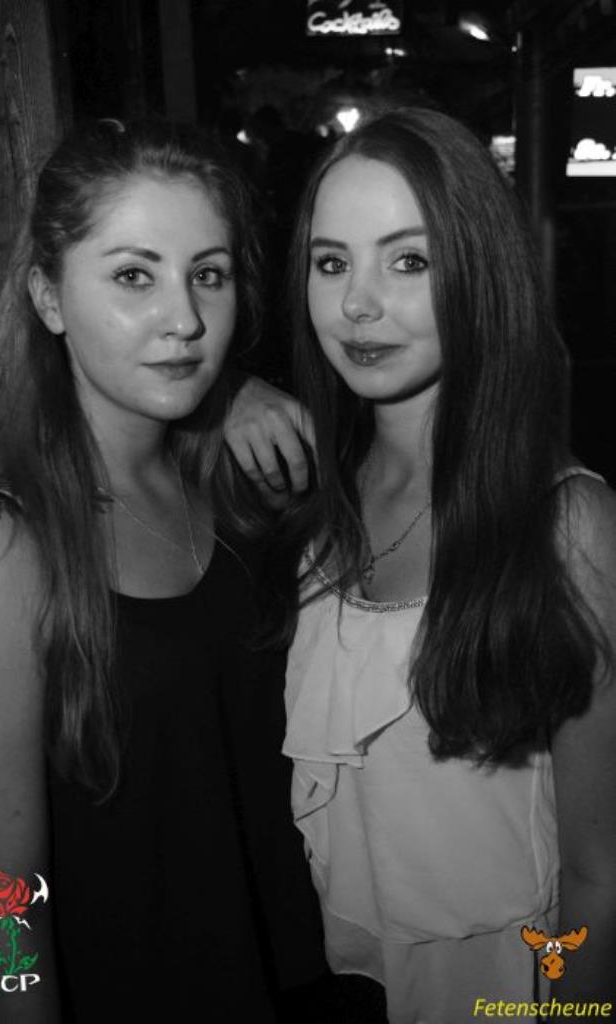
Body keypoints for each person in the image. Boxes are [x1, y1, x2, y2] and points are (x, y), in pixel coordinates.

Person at [224, 106, 616, 1022]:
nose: (358, 304)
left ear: (478, 271)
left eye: (408, 261)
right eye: (331, 263)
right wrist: (225, 392)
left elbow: (602, 874)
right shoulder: (313, 489)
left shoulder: (566, 524)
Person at [0, 116, 327, 1023]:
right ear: (48, 298)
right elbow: (3, 903)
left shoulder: (235, 485)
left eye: (209, 275)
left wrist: (234, 397)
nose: (184, 320)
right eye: (133, 276)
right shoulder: (2, 547)